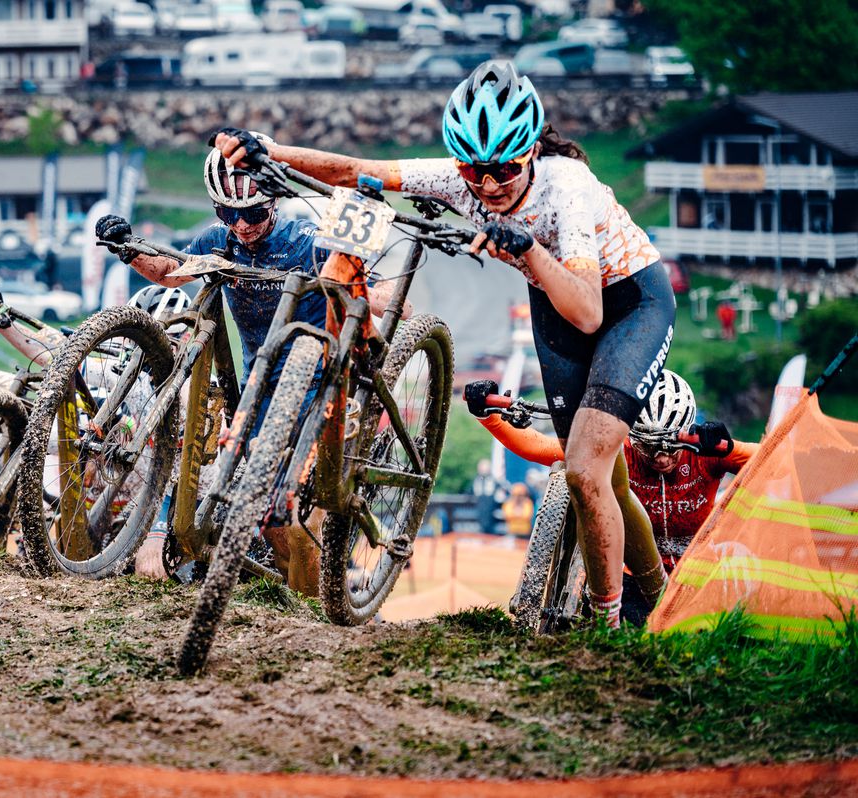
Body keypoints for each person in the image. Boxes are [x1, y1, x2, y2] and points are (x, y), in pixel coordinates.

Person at [210, 61, 676, 627]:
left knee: (583, 469)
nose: (488, 185)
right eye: (474, 170)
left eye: (504, 168)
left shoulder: (566, 189)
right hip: (554, 300)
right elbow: (360, 171)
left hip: (627, 304)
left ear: (530, 152)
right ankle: (659, 595)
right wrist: (270, 150)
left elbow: (587, 311)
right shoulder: (462, 179)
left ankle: (613, 624)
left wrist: (527, 248)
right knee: (607, 481)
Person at [96, 140, 408, 594]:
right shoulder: (217, 242)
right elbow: (170, 270)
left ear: (273, 203)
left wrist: (362, 296)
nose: (241, 225)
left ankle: (315, 613)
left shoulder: (304, 240)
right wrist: (126, 249)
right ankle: (289, 597)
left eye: (254, 214)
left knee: (299, 525)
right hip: (262, 387)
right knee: (271, 524)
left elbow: (380, 297)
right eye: (228, 215)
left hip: (322, 384)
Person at [464, 370, 758, 621]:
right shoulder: (620, 453)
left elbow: (771, 455)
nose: (661, 458)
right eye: (649, 447)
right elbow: (538, 447)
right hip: (637, 581)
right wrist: (486, 414)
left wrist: (727, 447)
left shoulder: (704, 456)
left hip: (700, 578)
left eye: (669, 446)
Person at [470, 459, 504, 536]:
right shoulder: (475, 481)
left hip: (491, 513)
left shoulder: (494, 481)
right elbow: (469, 493)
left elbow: (502, 493)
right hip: (479, 513)